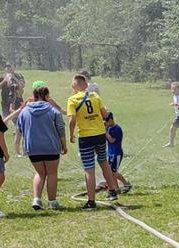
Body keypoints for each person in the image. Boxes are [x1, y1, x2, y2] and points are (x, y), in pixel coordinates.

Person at [65, 74, 119, 209]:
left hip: (85, 137)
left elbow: (72, 120)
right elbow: (106, 115)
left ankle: (91, 201)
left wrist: (71, 135)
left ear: (75, 86)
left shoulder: (72, 100)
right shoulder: (95, 96)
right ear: (86, 85)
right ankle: (112, 190)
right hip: (100, 135)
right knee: (103, 162)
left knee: (89, 168)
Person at [12, 86, 66, 210]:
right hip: (51, 147)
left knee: (40, 173)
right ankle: (52, 202)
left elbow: (19, 129)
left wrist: (19, 146)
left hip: (32, 148)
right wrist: (64, 145)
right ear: (47, 96)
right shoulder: (53, 110)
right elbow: (61, 129)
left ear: (34, 96)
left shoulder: (24, 111)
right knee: (52, 173)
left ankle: (37, 199)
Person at [103, 112, 134, 194]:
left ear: (110, 120)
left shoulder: (117, 129)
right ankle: (116, 188)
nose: (105, 124)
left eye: (106, 122)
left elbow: (111, 140)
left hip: (116, 153)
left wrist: (105, 131)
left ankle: (126, 184)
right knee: (111, 172)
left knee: (113, 172)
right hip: (110, 153)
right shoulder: (109, 128)